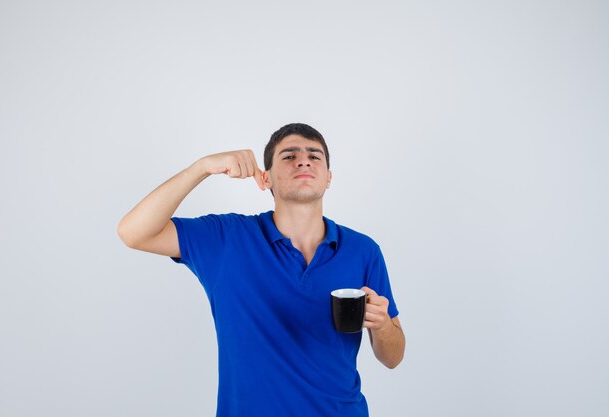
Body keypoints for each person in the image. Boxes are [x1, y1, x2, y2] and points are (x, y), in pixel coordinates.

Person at [118, 123, 405, 417]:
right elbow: (134, 233)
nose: (303, 161)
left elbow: (393, 358)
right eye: (289, 156)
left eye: (314, 156)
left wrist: (383, 326)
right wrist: (201, 168)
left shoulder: (363, 250)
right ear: (265, 178)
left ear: (329, 178)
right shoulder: (226, 239)